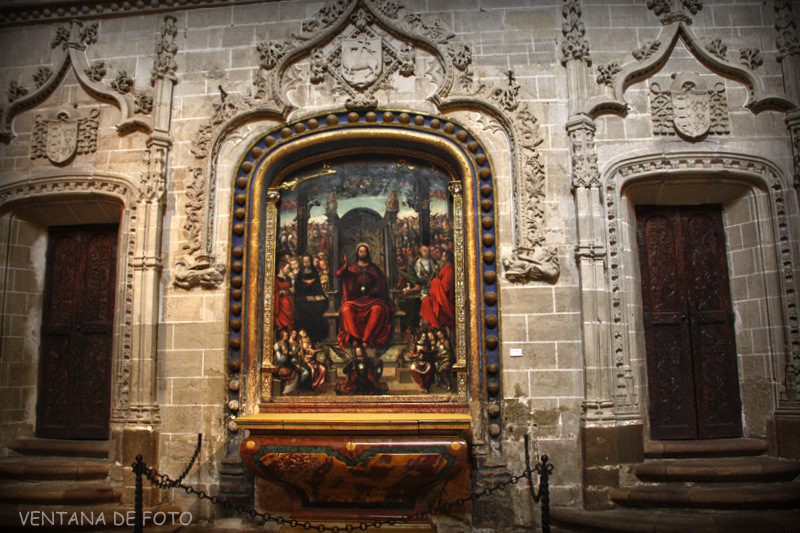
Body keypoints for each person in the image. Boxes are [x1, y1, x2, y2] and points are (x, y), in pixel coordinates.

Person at [335, 243, 393, 349]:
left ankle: (366, 339)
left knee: (378, 309)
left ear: (368, 253)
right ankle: (356, 338)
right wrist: (345, 264)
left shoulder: (373, 268)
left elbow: (381, 284)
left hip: (372, 300)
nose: (362, 253)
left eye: (364, 251)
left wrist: (373, 291)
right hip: (354, 300)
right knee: (346, 309)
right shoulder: (351, 268)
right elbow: (338, 274)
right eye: (360, 251)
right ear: (357, 253)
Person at [294, 254, 329, 342]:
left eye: (308, 262)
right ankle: (306, 335)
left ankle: (318, 336)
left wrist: (316, 293)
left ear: (310, 262)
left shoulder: (314, 273)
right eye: (304, 262)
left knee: (321, 305)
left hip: (314, 297)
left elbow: (318, 288)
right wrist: (306, 284)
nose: (306, 264)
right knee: (305, 308)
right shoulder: (300, 274)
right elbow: (298, 289)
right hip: (303, 299)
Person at [420, 249, 456, 332]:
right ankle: (435, 326)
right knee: (425, 300)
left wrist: (435, 281)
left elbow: (445, 288)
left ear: (447, 258)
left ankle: (437, 328)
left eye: (443, 256)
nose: (441, 258)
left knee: (427, 302)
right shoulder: (445, 269)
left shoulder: (450, 270)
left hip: (444, 301)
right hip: (439, 298)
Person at [274, 261, 295, 331]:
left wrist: (292, 289)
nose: (288, 270)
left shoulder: (289, 278)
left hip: (290, 303)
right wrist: (280, 292)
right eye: (287, 268)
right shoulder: (276, 279)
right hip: (281, 305)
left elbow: (292, 288)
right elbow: (274, 292)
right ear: (281, 268)